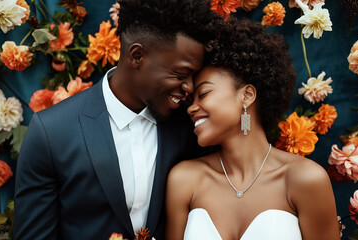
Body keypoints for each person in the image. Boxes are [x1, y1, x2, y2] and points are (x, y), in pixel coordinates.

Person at [14, 1, 221, 239]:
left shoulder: (190, 127)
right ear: (137, 56)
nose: (189, 87)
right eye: (180, 74)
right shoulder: (51, 132)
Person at [166, 18, 340, 240]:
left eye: (204, 94)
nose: (191, 108)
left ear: (246, 96)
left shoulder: (305, 180)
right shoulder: (184, 180)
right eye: (191, 99)